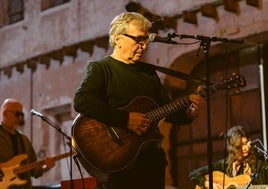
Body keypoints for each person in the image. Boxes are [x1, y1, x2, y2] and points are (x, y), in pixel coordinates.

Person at [73, 12, 204, 189]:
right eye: (138, 40)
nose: (143, 46)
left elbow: (166, 110)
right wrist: (125, 119)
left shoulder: (149, 74)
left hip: (151, 163)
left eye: (145, 41)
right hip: (119, 164)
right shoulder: (101, 68)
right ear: (118, 39)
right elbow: (82, 100)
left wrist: (190, 114)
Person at [0, 98, 56, 189]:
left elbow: (34, 171)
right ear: (5, 113)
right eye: (17, 114)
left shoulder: (24, 140)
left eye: (22, 115)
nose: (20, 118)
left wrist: (47, 167)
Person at [189, 125, 268, 189]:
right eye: (240, 146)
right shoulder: (226, 164)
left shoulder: (260, 162)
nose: (245, 148)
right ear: (233, 148)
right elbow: (193, 174)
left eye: (246, 143)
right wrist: (208, 184)